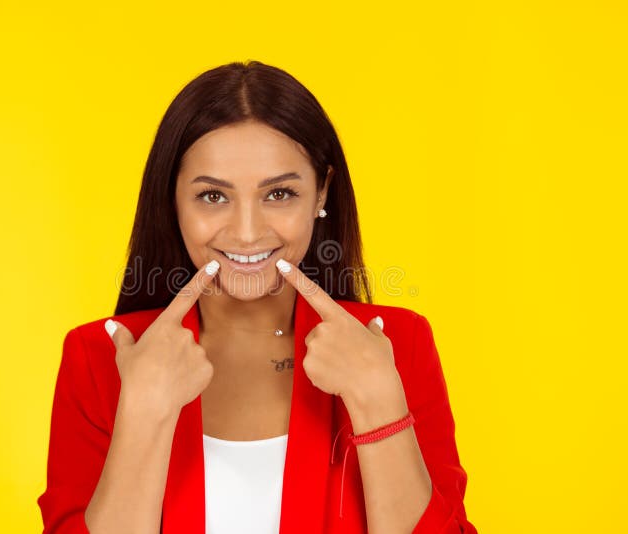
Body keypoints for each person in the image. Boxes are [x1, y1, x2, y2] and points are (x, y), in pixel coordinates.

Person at [37, 60, 477, 534]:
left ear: (321, 191)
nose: (247, 233)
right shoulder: (100, 357)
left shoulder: (396, 345)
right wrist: (143, 414)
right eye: (212, 197)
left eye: (279, 194)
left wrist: (378, 403)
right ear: (172, 199)